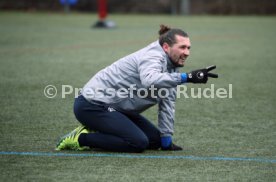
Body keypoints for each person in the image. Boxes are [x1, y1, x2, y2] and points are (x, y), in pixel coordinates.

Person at [56, 25, 218, 153]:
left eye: (189, 48)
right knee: (137, 143)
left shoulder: (172, 67)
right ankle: (81, 138)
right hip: (91, 105)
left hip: (115, 107)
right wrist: (187, 78)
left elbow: (167, 102)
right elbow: (150, 80)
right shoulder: (152, 56)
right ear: (167, 47)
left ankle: (101, 127)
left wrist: (167, 141)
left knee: (156, 141)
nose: (187, 52)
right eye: (182, 47)